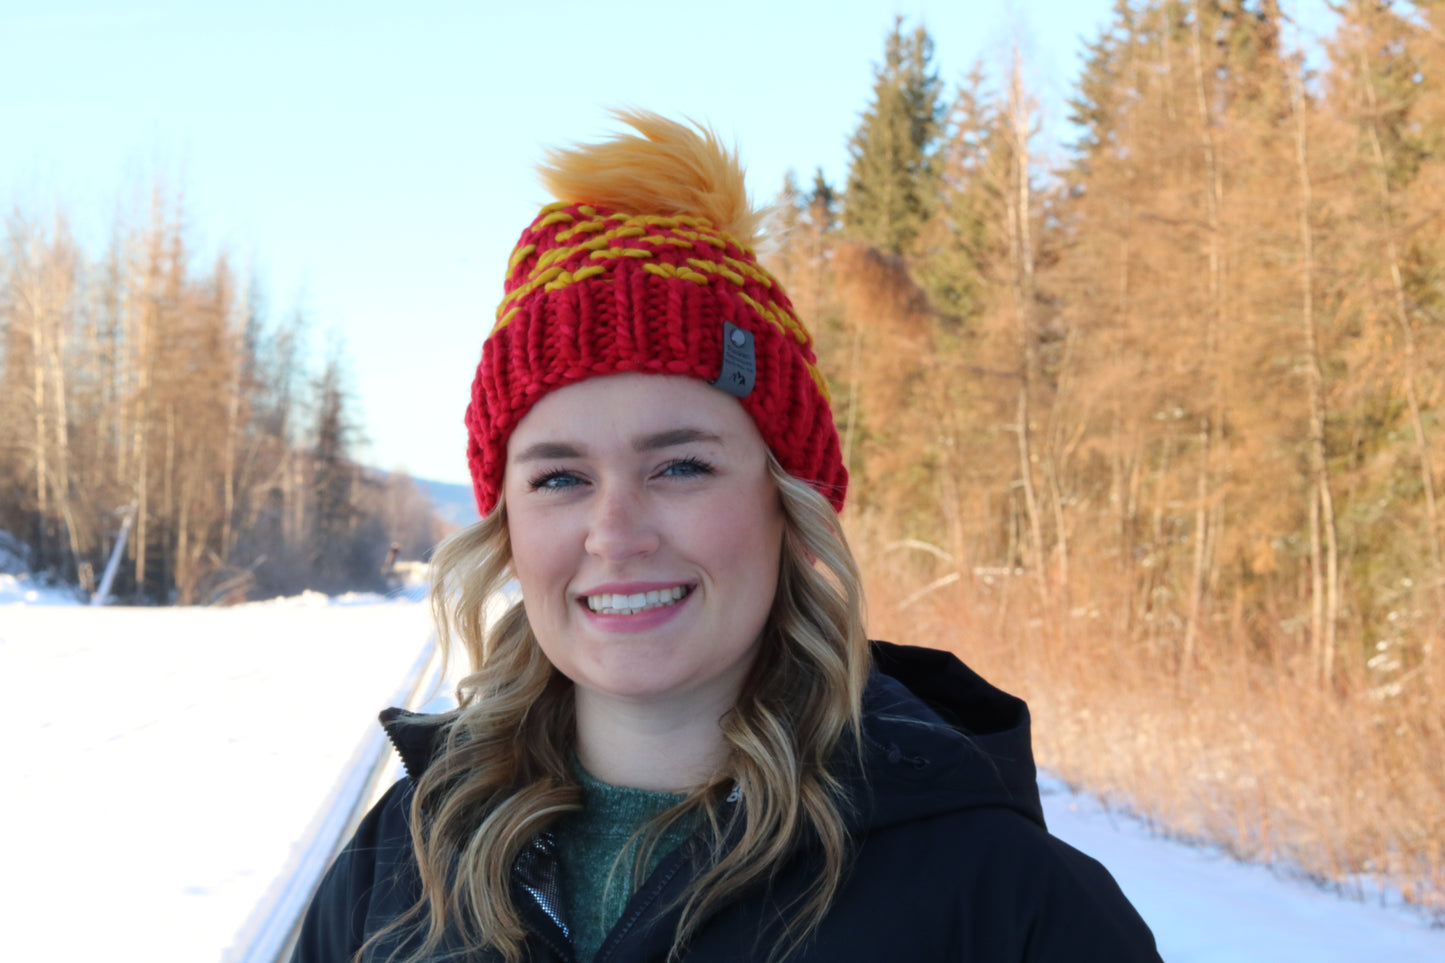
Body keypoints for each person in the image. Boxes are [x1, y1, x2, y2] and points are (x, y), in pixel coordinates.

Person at [292, 111, 1162, 963]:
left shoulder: (1005, 904)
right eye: (559, 477)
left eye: (681, 467)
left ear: (790, 504)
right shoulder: (393, 875)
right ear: (507, 527)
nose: (615, 533)